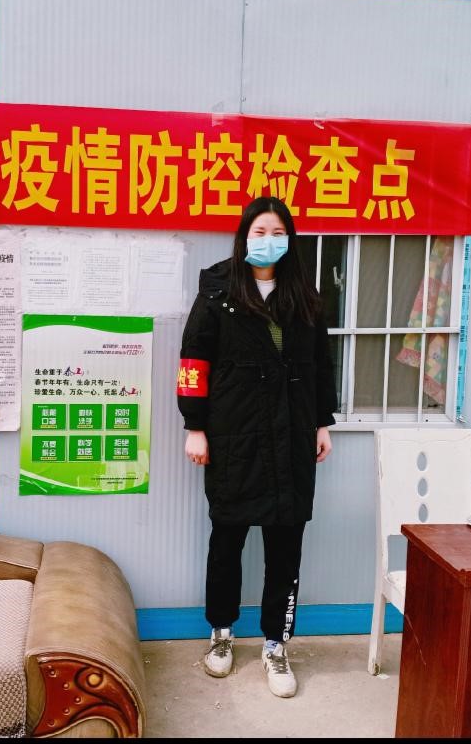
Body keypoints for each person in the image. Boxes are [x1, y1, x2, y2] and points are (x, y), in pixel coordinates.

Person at [176, 196, 337, 699]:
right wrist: (195, 427)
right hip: (235, 435)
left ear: (290, 239)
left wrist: (322, 422)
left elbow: (321, 364)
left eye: (278, 232)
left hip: (292, 436)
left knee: (285, 547)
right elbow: (193, 362)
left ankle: (275, 642)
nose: (269, 240)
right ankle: (221, 631)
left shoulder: (304, 297)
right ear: (245, 237)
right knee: (227, 541)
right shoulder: (218, 293)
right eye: (260, 231)